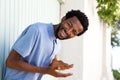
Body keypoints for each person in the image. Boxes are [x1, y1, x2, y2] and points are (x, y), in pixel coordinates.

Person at [4, 10, 89, 80]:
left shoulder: (58, 44)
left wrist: (54, 63)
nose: (69, 31)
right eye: (69, 24)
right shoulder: (37, 31)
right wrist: (45, 70)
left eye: (74, 32)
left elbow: (52, 60)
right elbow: (11, 62)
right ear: (63, 19)